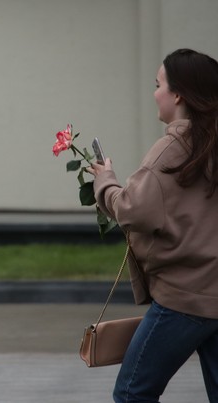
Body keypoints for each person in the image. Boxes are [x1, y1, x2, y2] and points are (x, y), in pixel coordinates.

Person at [87, 48, 218, 403]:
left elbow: (133, 210)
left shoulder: (172, 149)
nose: (154, 92)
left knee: (132, 393)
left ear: (177, 94)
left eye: (158, 84)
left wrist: (105, 181)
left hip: (184, 299)